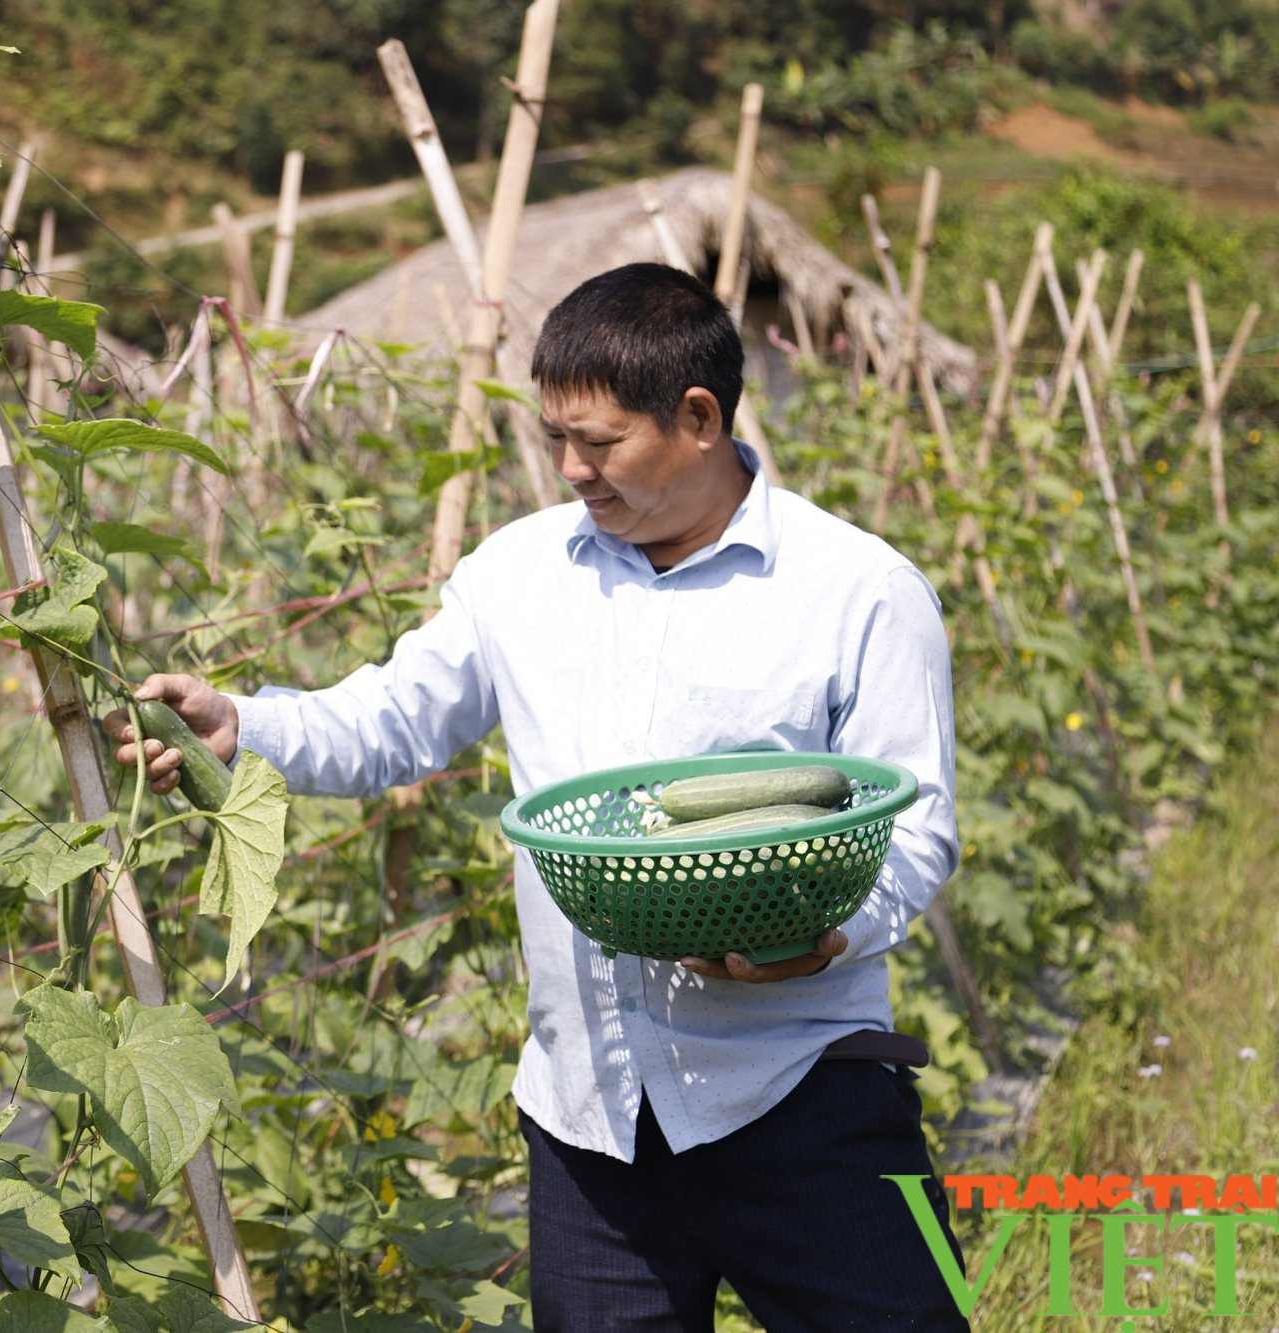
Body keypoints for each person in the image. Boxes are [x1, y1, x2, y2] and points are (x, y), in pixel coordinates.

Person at [105, 263, 968, 1330]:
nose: (569, 468)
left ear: (696, 417)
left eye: (598, 443)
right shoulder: (518, 574)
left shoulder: (857, 591)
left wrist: (822, 931)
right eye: (555, 437)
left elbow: (916, 829)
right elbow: (394, 717)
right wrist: (245, 726)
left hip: (800, 1088)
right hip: (589, 1115)